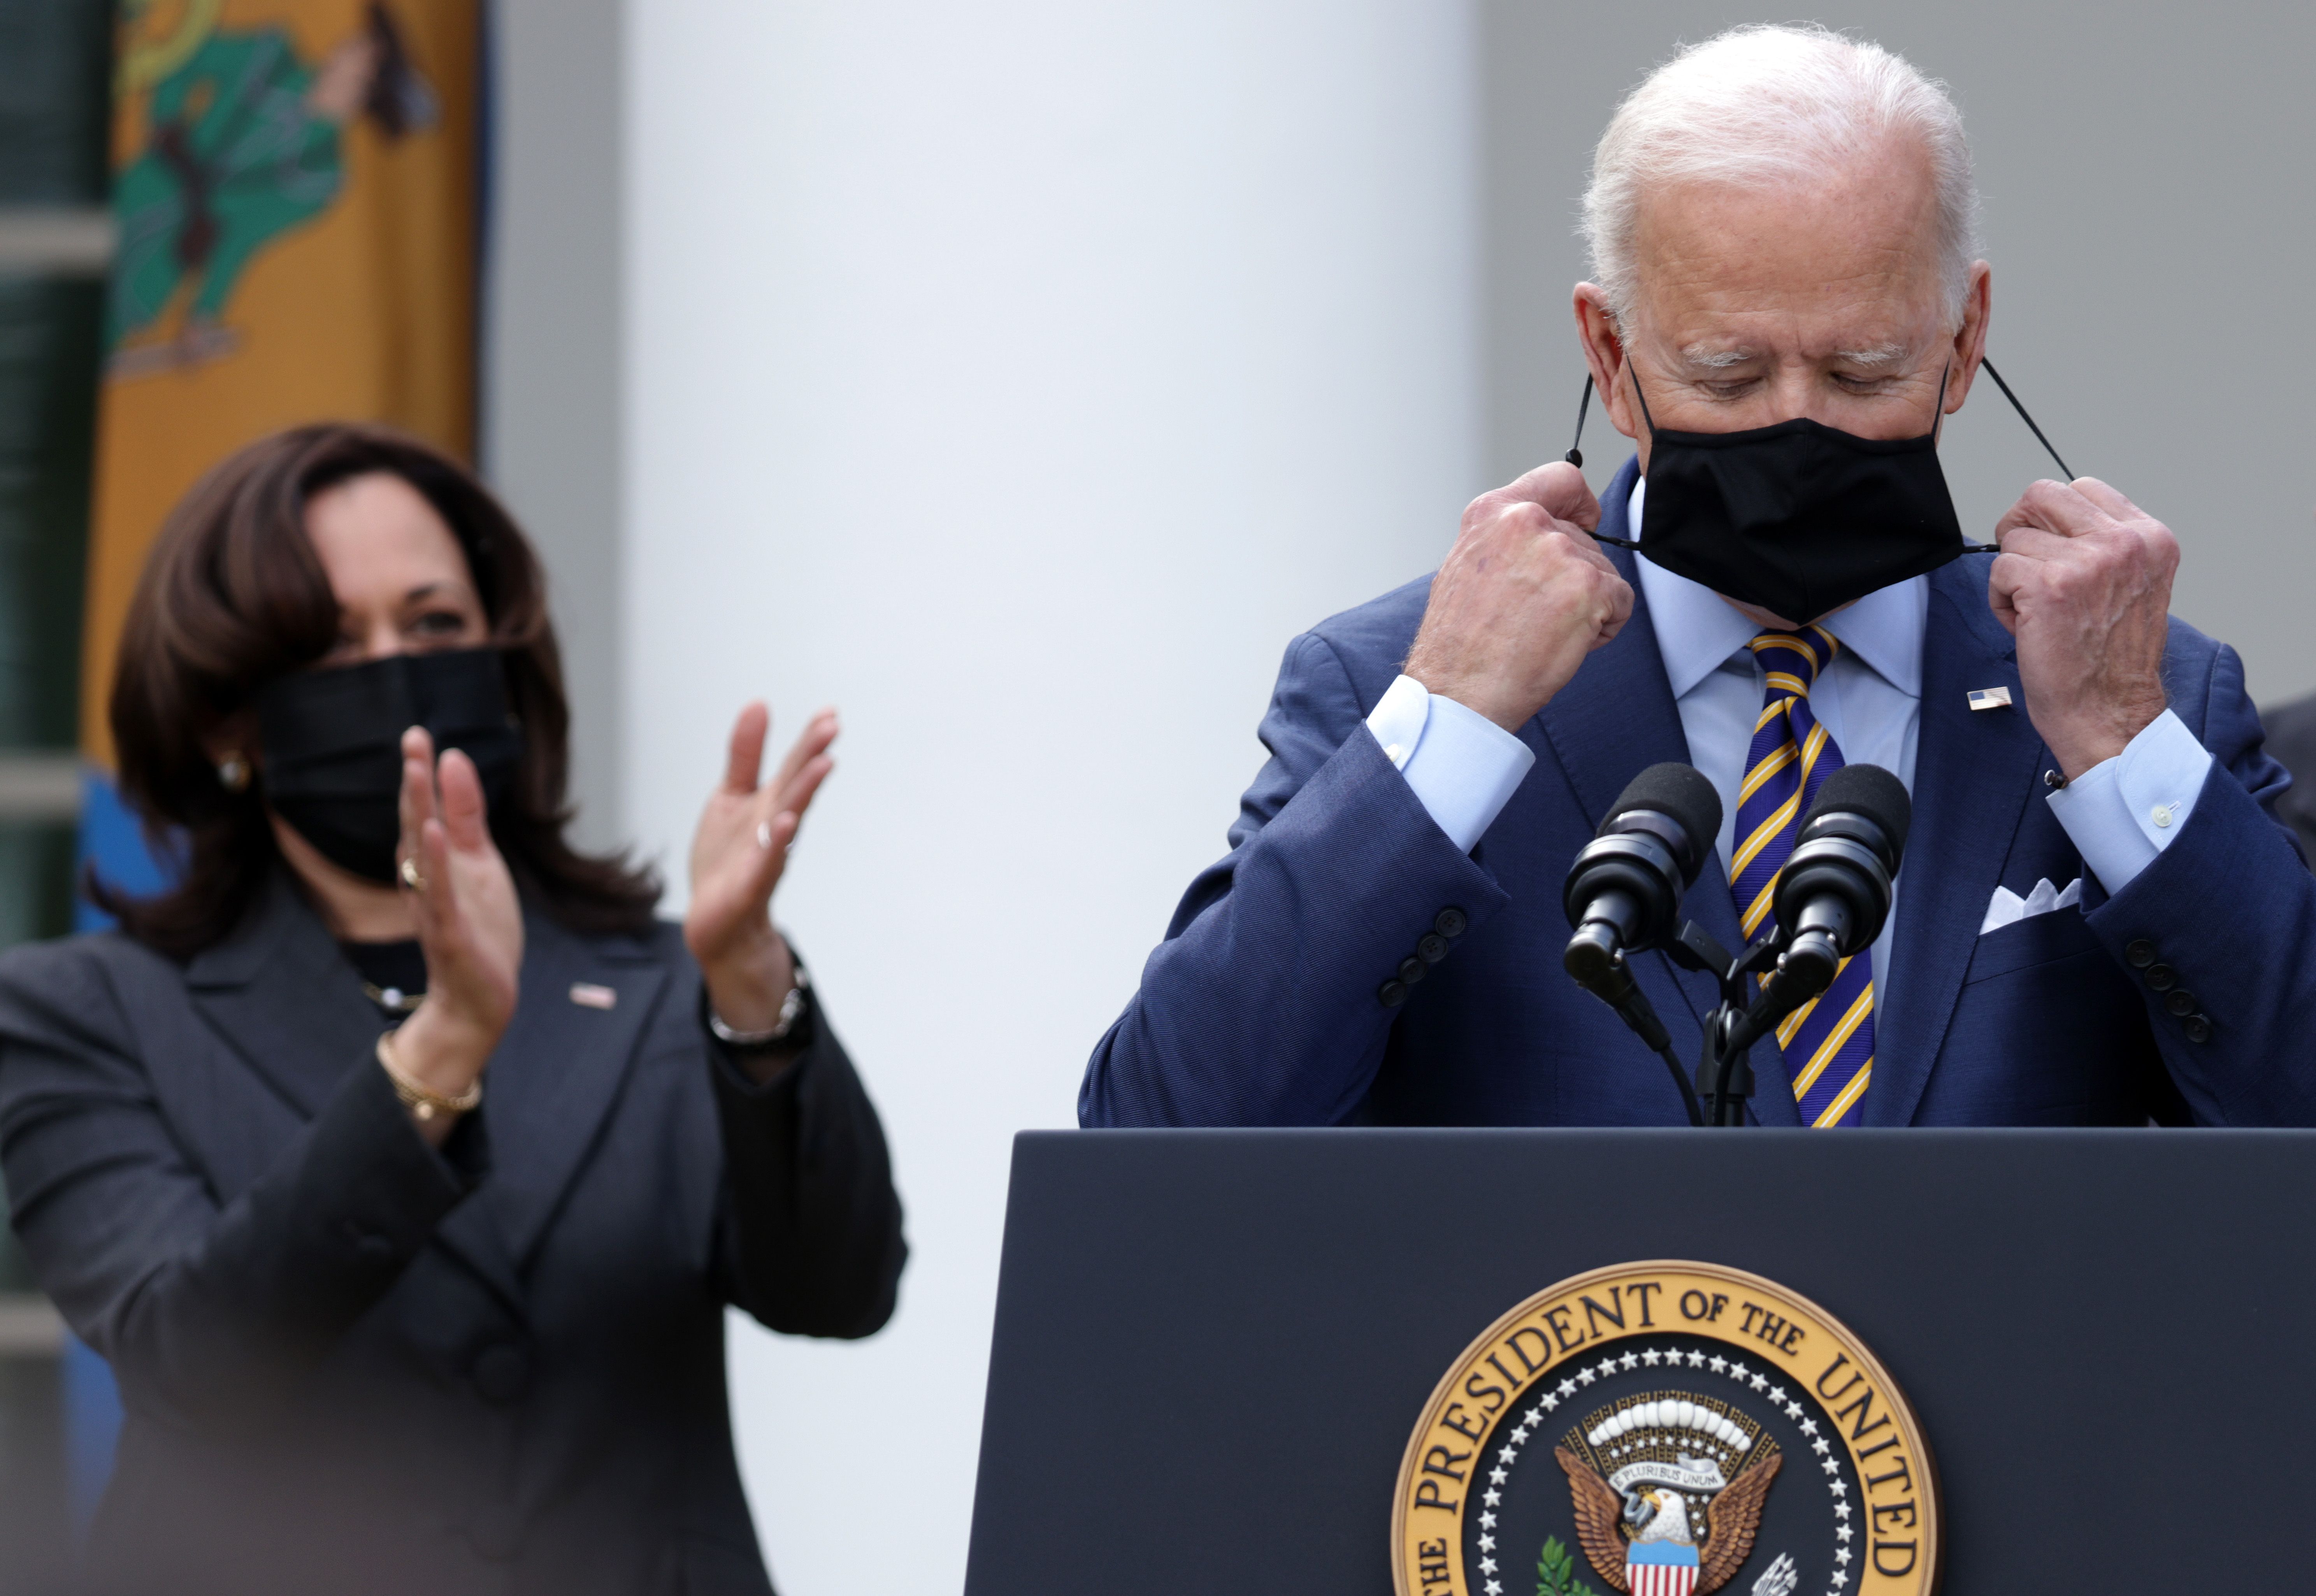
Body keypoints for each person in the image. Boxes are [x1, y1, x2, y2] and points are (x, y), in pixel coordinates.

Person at [1081, 24, 2316, 1131]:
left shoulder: (2136, 691)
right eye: (1727, 378)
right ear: (1610, 358)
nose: (1797, 428)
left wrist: (2124, 749)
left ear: (1965, 339)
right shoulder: (1389, 684)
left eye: (1862, 372)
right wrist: (1446, 726)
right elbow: (1163, 1129)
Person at [0, 424, 905, 1594]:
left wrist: (749, 986)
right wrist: (442, 1048)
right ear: (228, 720)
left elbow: (839, 1289)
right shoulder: (84, 1014)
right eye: (332, 642)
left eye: (434, 626)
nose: (395, 672)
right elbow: (197, 1360)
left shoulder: (652, 985)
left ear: (501, 661)